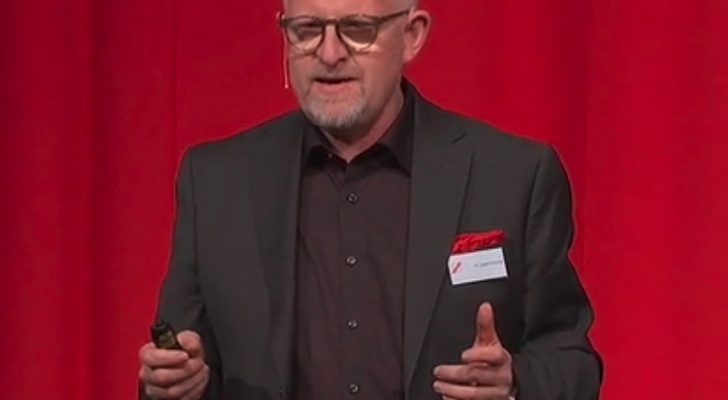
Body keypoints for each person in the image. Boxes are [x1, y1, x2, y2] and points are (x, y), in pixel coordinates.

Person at [137, 0, 602, 398]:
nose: (330, 53)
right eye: (307, 30)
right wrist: (177, 384)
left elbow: (572, 363)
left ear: (412, 35)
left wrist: (515, 382)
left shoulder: (513, 176)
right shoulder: (216, 182)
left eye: (357, 30)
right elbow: (175, 364)